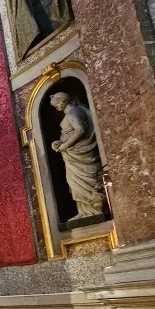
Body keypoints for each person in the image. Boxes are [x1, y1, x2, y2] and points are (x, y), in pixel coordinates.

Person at [50, 92, 106, 221]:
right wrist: (60, 143)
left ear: (63, 101)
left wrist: (65, 145)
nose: (57, 107)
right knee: (74, 182)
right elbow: (70, 133)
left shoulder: (73, 112)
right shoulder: (73, 112)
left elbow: (80, 130)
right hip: (72, 154)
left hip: (80, 153)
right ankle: (84, 211)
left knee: (83, 182)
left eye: (57, 104)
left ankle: (94, 211)